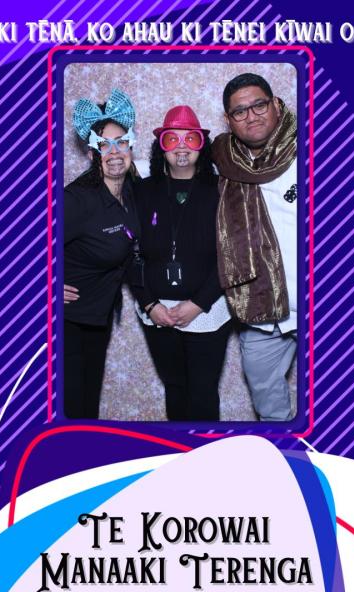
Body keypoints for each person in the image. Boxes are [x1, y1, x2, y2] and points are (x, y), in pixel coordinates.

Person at [130, 105, 229, 421]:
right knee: (175, 388)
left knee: (203, 392)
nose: (182, 147)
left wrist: (198, 304)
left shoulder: (222, 190)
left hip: (208, 310)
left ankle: (208, 451)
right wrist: (149, 304)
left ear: (202, 145)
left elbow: (231, 255)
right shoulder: (142, 192)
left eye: (191, 139)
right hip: (157, 312)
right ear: (162, 146)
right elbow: (130, 253)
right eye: (173, 139)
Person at [214, 73, 298, 421]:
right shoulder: (222, 159)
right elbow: (167, 168)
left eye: (259, 105)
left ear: (276, 104)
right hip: (260, 310)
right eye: (240, 111)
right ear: (228, 120)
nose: (251, 116)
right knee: (269, 409)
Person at [62, 89, 141, 419]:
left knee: (88, 405)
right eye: (105, 145)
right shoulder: (77, 199)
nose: (114, 152)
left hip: (99, 315)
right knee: (69, 409)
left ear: (131, 146)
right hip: (65, 323)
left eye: (121, 142)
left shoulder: (132, 192)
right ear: (93, 153)